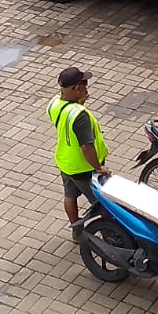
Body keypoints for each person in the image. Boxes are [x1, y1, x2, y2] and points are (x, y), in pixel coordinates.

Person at [46, 66, 110, 242]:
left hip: (66, 161)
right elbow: (86, 147)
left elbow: (67, 121)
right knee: (103, 203)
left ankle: (77, 231)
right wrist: (99, 167)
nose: (87, 88)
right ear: (76, 89)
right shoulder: (80, 116)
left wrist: (79, 103)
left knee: (70, 195)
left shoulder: (54, 103)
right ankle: (111, 235)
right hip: (83, 167)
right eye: (84, 84)